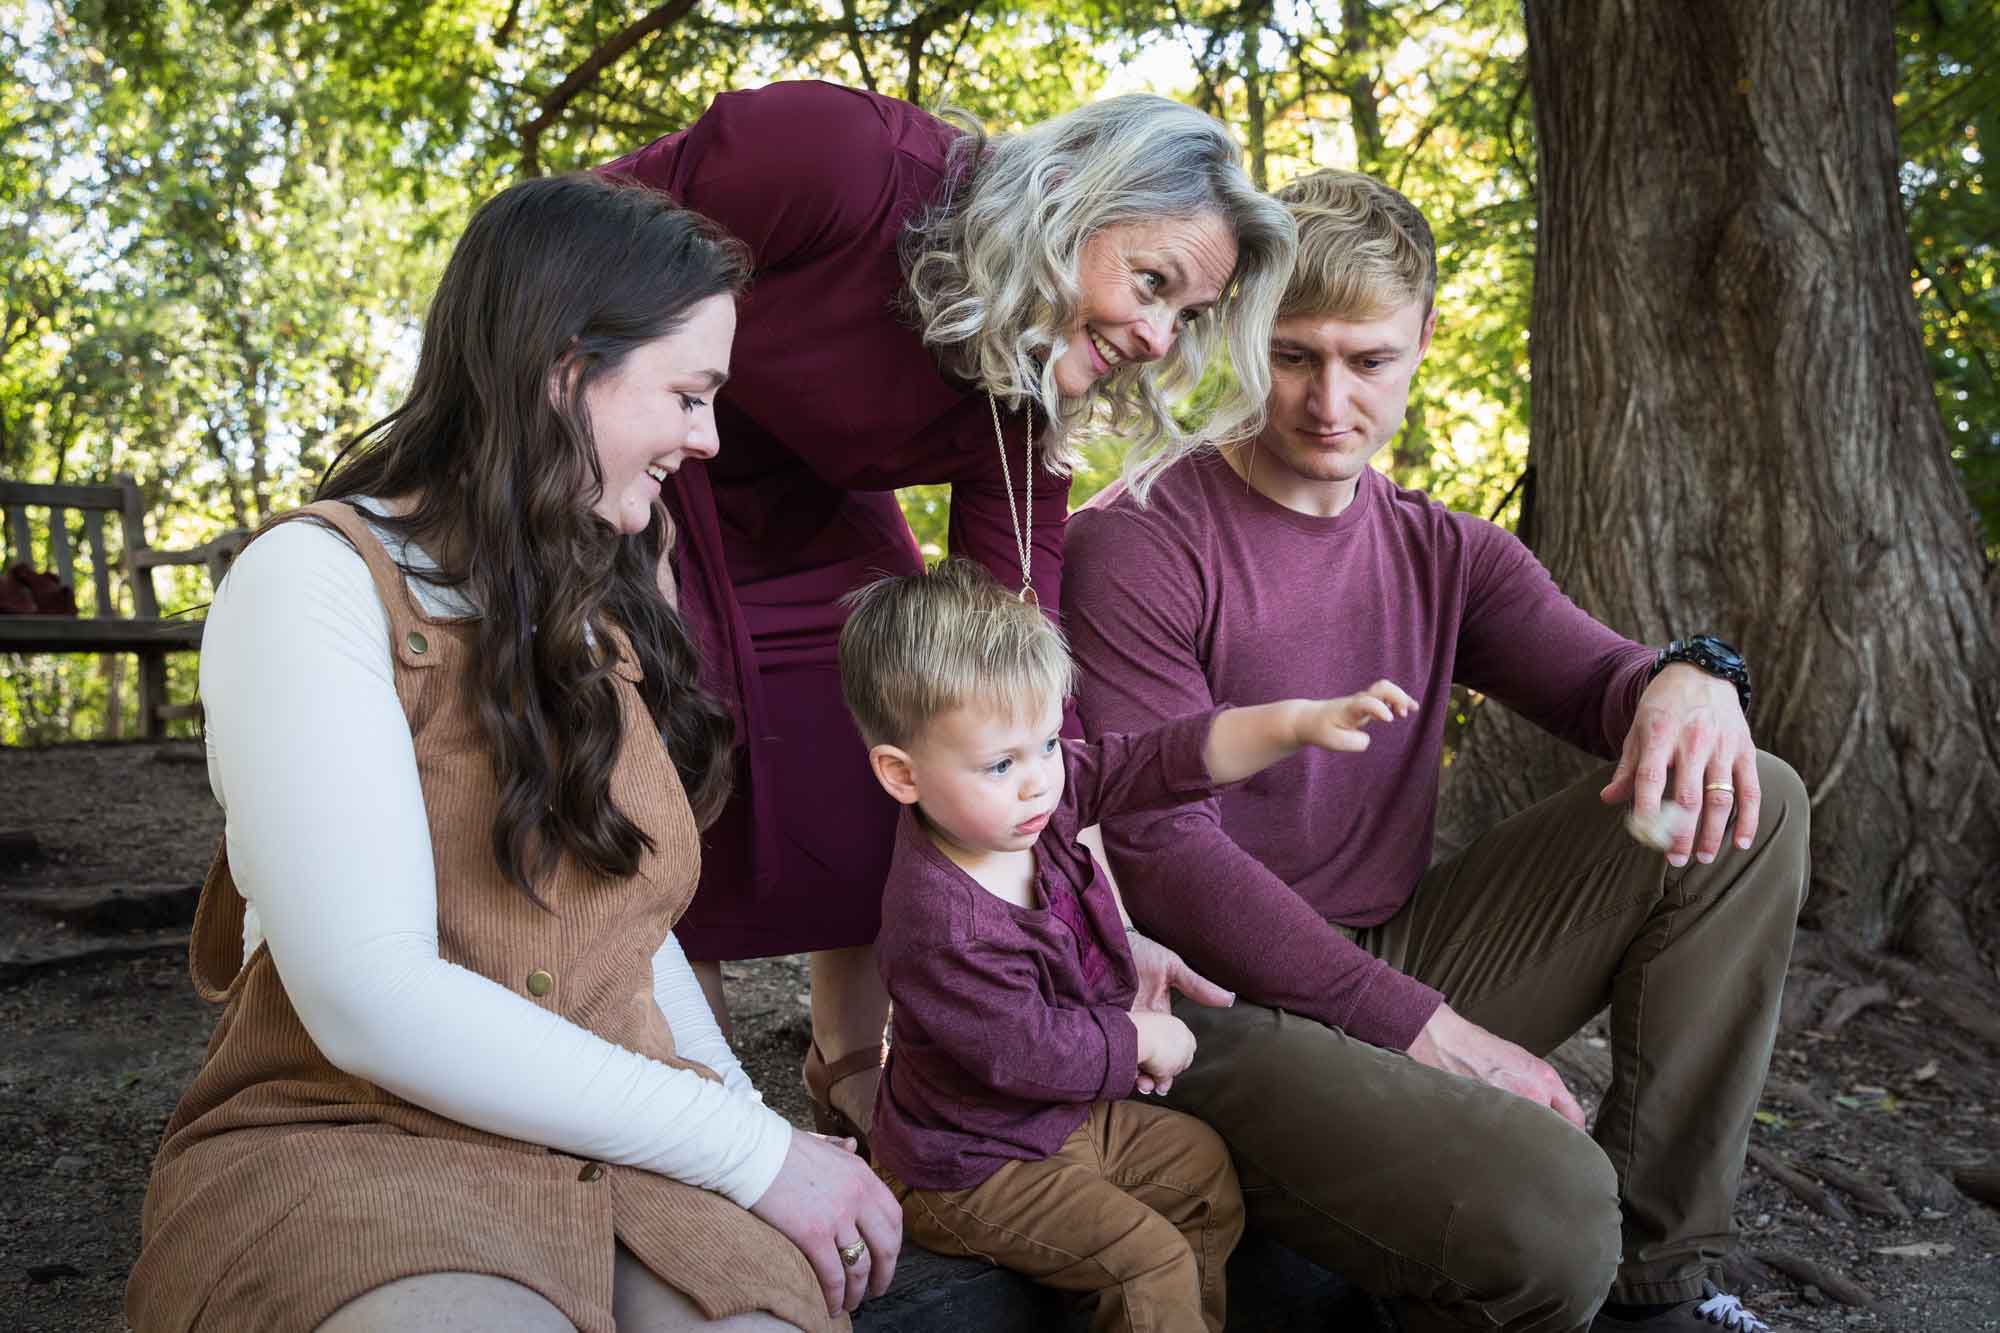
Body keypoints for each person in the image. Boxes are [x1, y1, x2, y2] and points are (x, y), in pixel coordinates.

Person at [126, 174, 899, 1333]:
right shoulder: (312, 584)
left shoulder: (597, 594)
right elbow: (368, 999)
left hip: (625, 1139)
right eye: (688, 394)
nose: (708, 437)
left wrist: (765, 1145)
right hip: (359, 1139)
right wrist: (746, 1151)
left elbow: (628, 944)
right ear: (565, 366)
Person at [1064, 168, 1808, 1333]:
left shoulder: (1445, 553)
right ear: (1241, 334)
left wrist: (1696, 673)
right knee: (1551, 1219)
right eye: (1294, 354)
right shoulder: (1138, 541)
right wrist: (1419, 1026)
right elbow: (1161, 850)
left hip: (1392, 953)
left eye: (1367, 361)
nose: (1326, 401)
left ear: (1419, 347)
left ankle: (1657, 1292)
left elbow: (1608, 682)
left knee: (1746, 787)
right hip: (1205, 1005)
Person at [602, 81, 1296, 1147]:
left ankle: (847, 1060)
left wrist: (1094, 916)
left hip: (811, 501)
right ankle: (687, 1075)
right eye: (1149, 282)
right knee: (665, 718)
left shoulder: (1022, 399)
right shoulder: (837, 159)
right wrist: (624, 524)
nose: (1158, 336)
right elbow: (584, 258)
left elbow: (1016, 688)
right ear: (1065, 196)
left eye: (1184, 315)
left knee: (905, 718)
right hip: (636, 447)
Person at [834, 559, 1415, 1332]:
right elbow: (1026, 1049)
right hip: (974, 1163)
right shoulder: (941, 920)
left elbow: (1157, 760)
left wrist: (1295, 723)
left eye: (1046, 742)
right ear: (903, 774)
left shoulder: (1034, 801)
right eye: (1002, 763)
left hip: (1064, 1118)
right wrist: (1142, 1035)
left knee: (1204, 1175)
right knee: (1147, 1259)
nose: (1040, 780)